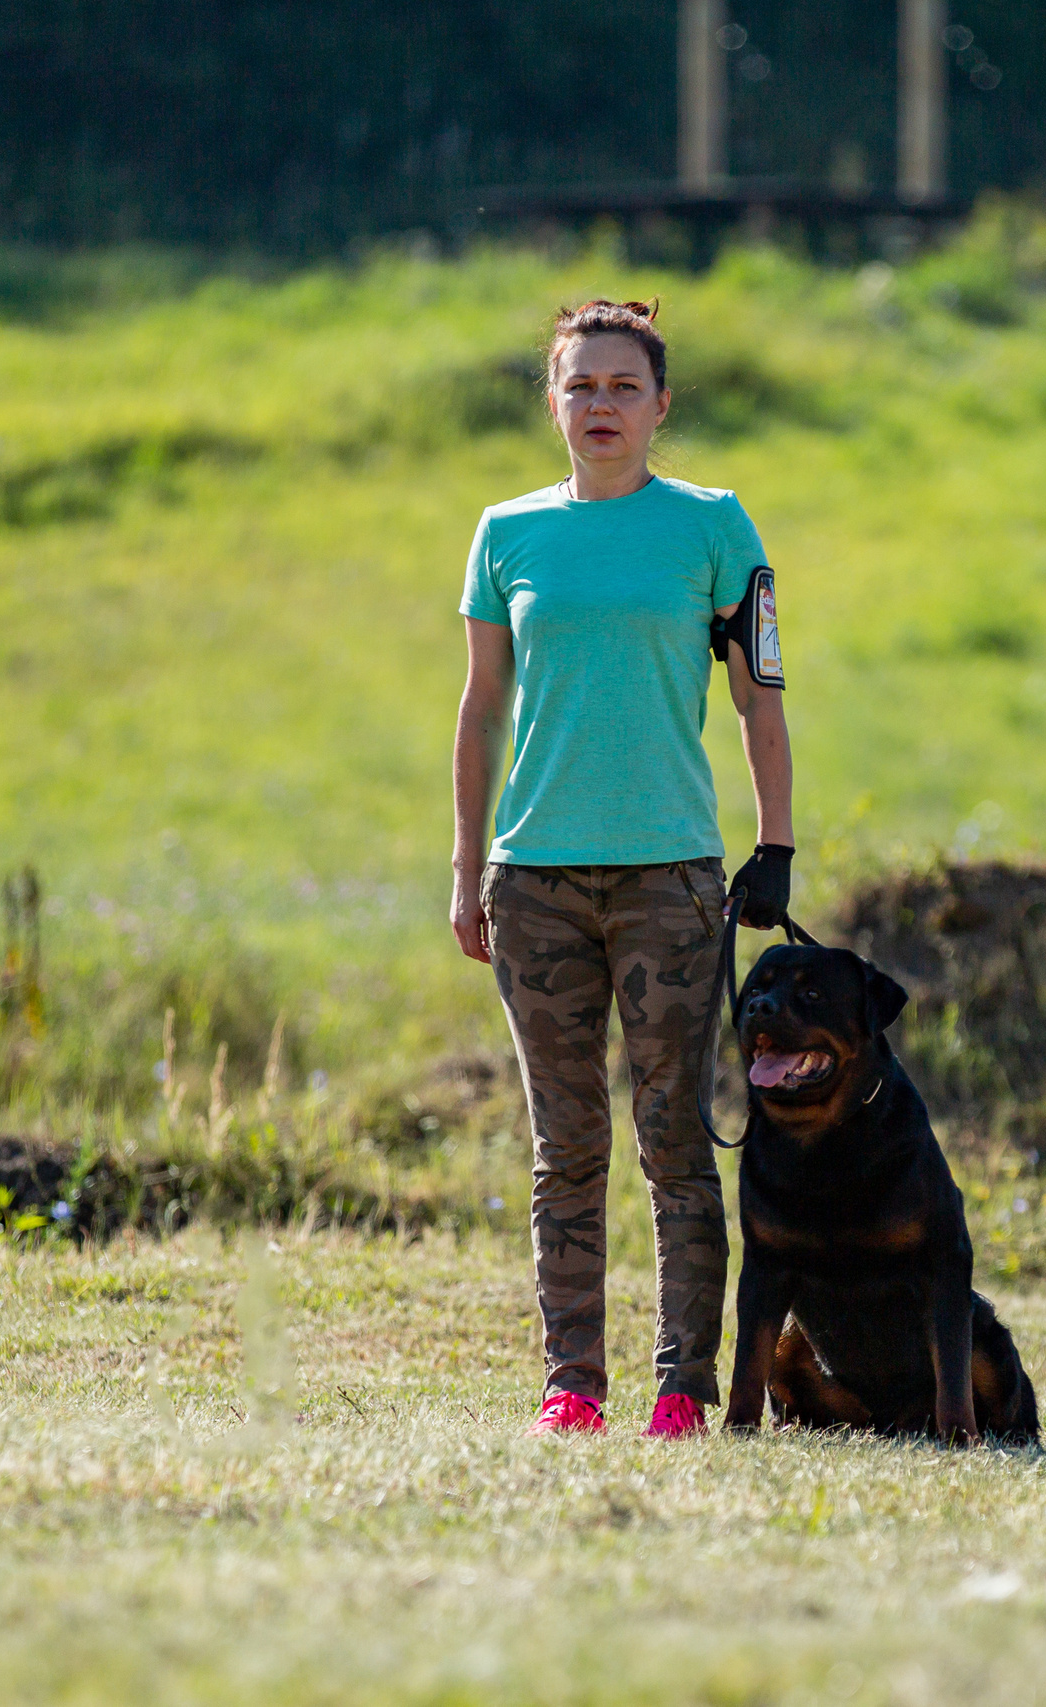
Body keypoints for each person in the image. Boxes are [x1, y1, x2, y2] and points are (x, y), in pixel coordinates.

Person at [450, 298, 794, 1439]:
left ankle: (683, 1388)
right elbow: (481, 710)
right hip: (533, 881)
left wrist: (776, 846)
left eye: (623, 386)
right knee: (566, 1150)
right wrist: (466, 865)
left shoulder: (713, 526)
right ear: (552, 402)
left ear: (660, 404)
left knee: (675, 1141)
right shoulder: (506, 533)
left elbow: (759, 700)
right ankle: (571, 1386)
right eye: (580, 385)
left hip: (669, 882)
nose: (601, 404)